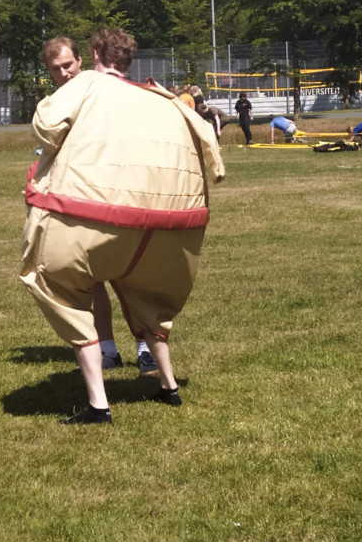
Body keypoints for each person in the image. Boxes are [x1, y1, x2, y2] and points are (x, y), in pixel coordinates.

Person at [21, 28, 225, 424]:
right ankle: (169, 386)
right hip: (162, 231)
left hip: (90, 221)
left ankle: (98, 403)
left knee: (67, 293)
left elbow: (46, 126)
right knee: (148, 300)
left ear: (93, 54)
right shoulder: (160, 97)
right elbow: (209, 150)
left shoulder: (87, 85)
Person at [40, 35, 157, 375]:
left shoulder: (107, 90)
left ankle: (145, 348)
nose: (64, 73)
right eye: (55, 69)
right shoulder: (61, 102)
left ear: (82, 60)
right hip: (82, 197)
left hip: (124, 191)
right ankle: (107, 350)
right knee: (91, 279)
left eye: (68, 65)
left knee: (131, 277)